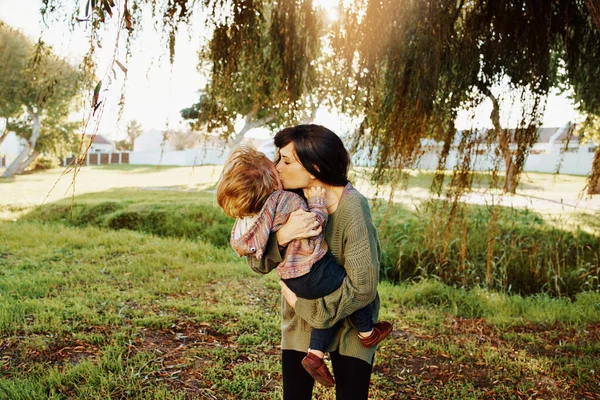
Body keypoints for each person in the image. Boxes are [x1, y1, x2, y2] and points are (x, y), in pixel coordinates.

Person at [215, 145, 392, 389]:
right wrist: (282, 237)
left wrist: (304, 306)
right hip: (300, 320)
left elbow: (361, 289)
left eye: (286, 162)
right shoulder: (280, 196)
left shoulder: (351, 206)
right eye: (277, 160)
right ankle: (358, 335)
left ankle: (340, 343)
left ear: (313, 168)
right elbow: (258, 265)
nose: (278, 167)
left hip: (342, 322)